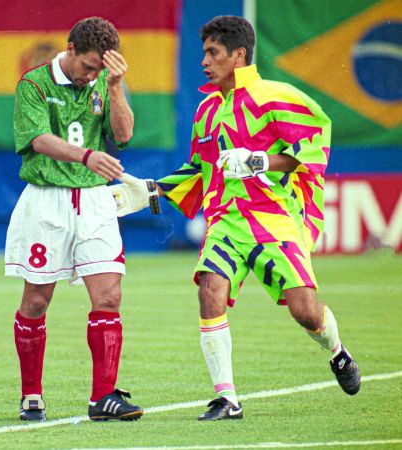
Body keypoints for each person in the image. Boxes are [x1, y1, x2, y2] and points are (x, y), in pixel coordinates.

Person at [142, 15, 360, 420]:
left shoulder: (276, 96)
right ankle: (227, 398)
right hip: (225, 221)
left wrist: (259, 160)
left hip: (273, 217)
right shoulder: (206, 111)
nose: (204, 61)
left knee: (304, 310)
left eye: (213, 53)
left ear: (238, 54)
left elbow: (312, 146)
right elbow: (198, 169)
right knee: (209, 290)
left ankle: (337, 351)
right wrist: (150, 189)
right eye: (204, 52)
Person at [5, 17, 143, 422]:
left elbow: (124, 134)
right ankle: (32, 395)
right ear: (69, 49)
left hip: (95, 201)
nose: (91, 76)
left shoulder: (105, 81)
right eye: (87, 67)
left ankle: (103, 398)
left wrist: (115, 86)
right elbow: (37, 140)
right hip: (47, 200)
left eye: (100, 69)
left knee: (109, 297)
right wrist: (86, 155)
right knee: (36, 300)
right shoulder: (34, 85)